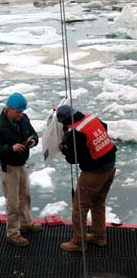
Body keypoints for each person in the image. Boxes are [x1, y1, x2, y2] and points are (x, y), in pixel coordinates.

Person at [56, 105, 117, 252]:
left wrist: (64, 147)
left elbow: (72, 159)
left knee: (80, 207)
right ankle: (99, 236)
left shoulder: (75, 134)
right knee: (98, 202)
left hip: (94, 172)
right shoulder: (92, 118)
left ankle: (78, 242)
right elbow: (104, 128)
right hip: (110, 165)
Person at [0, 92, 42, 246]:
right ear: (9, 109)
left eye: (21, 112)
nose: (20, 115)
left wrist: (32, 141)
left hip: (22, 164)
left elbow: (33, 134)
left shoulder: (23, 119)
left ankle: (25, 224)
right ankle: (12, 233)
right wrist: (11, 148)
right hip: (9, 167)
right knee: (13, 202)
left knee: (25, 196)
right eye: (18, 112)